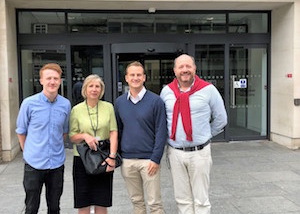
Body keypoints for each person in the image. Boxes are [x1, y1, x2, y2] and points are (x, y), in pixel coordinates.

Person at [160, 54, 227, 214]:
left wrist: (205, 135)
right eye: (181, 67)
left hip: (200, 153)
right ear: (175, 70)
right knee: (182, 199)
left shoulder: (208, 90)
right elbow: (162, 120)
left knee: (201, 199)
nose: (185, 70)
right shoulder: (166, 91)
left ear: (194, 68)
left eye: (188, 66)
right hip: (175, 153)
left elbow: (221, 118)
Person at [16, 63, 71, 214]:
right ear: (41, 81)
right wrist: (27, 152)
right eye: (48, 78)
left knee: (54, 207)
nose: (52, 82)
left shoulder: (65, 105)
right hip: (34, 164)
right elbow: (21, 131)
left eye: (55, 78)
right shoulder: (29, 103)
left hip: (56, 164)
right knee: (31, 207)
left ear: (60, 81)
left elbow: (64, 132)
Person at [114, 61, 167, 214]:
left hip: (149, 161)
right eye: (132, 75)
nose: (135, 78)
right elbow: (118, 130)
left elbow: (161, 131)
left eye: (138, 75)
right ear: (126, 78)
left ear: (144, 77)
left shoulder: (156, 101)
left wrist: (156, 158)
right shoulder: (120, 103)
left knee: (155, 203)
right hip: (127, 161)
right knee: (136, 202)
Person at [69, 74, 118, 214]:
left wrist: (112, 157)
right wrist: (85, 136)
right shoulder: (76, 110)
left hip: (103, 159)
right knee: (83, 202)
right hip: (82, 160)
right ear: (85, 89)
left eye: (97, 86)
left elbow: (113, 132)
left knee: (101, 201)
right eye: (91, 86)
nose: (94, 89)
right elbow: (72, 137)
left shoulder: (108, 107)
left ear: (101, 90)